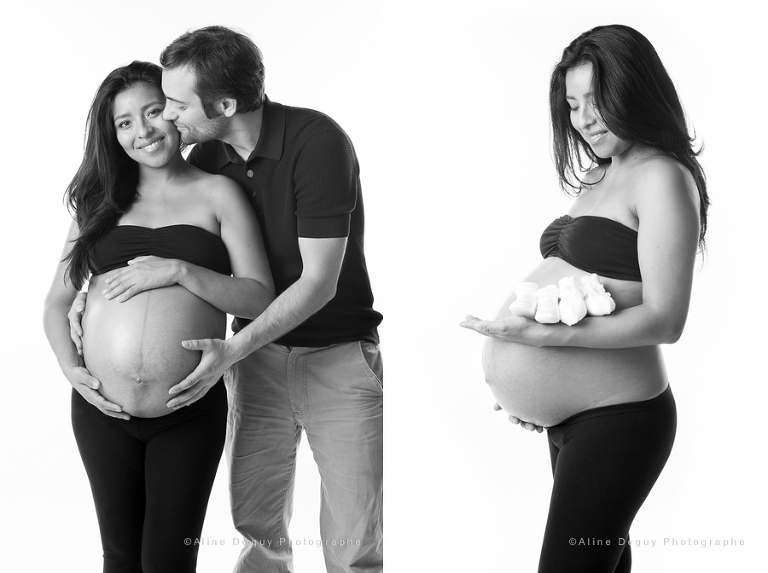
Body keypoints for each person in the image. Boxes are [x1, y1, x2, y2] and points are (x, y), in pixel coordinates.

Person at [70, 27, 383, 573]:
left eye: (174, 103)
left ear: (225, 104)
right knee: (258, 530)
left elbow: (317, 284)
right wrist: (91, 302)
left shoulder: (317, 142)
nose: (166, 115)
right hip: (258, 360)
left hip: (334, 352)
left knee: (351, 542)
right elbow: (167, 219)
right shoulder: (211, 154)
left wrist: (227, 346)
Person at [461, 25, 709, 572]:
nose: (584, 119)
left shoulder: (662, 177)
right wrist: (533, 391)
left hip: (621, 421)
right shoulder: (601, 176)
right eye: (573, 105)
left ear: (635, 90)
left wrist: (541, 341)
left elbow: (666, 319)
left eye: (596, 101)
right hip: (574, 422)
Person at [43, 61, 274, 572]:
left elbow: (260, 298)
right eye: (124, 122)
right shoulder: (98, 201)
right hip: (102, 411)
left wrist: (181, 271)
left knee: (168, 563)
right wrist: (70, 370)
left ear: (175, 111)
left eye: (153, 112)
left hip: (188, 410)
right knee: (120, 559)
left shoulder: (219, 193)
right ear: (112, 133)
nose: (142, 131)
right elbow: (57, 302)